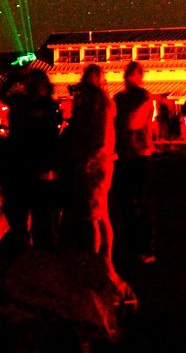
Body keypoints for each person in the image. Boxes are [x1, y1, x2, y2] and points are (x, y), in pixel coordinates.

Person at [0, 68, 63, 262]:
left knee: (38, 220)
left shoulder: (42, 107)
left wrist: (15, 77)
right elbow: (3, 93)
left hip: (32, 168)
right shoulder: (29, 105)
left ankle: (40, 260)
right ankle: (30, 258)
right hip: (26, 169)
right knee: (27, 220)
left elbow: (51, 139)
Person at [60, 64, 115, 260]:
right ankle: (105, 261)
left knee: (92, 215)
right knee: (101, 215)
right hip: (99, 163)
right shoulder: (100, 103)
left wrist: (87, 161)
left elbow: (100, 138)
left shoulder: (98, 104)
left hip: (94, 166)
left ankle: (96, 260)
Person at [112, 61, 155, 264]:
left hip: (139, 154)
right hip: (124, 154)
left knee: (139, 202)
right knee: (125, 203)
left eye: (132, 74)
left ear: (140, 76)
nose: (128, 77)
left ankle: (144, 247)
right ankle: (131, 246)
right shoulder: (120, 97)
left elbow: (131, 121)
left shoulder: (143, 97)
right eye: (127, 74)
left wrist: (118, 124)